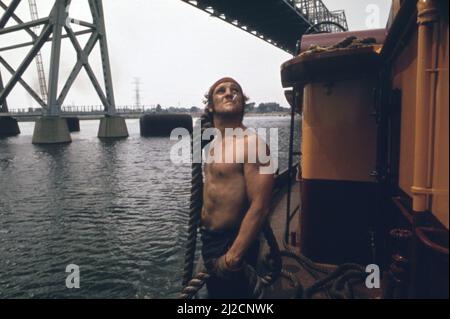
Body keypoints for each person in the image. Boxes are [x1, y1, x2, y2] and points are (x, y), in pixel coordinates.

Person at [199, 77, 275, 298]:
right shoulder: (211, 144)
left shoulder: (253, 144)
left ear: (243, 102)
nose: (229, 93)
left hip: (231, 242)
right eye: (221, 91)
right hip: (209, 239)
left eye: (236, 91)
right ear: (211, 106)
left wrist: (234, 255)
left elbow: (260, 206)